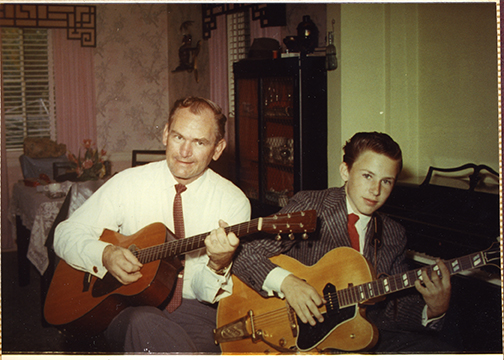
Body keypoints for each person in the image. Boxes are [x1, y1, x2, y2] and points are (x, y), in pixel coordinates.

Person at [54, 96, 251, 353]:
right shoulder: (128, 183)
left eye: (199, 142)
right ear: (166, 134)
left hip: (195, 311)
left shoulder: (233, 202)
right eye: (179, 137)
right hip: (126, 305)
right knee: (144, 323)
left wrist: (218, 263)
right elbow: (64, 233)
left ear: (217, 148)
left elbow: (205, 293)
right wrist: (105, 253)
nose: (185, 152)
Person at [232, 132, 452, 353]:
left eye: (386, 181)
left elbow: (391, 308)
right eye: (368, 176)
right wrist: (288, 283)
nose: (376, 191)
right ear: (345, 171)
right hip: (298, 336)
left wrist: (433, 309)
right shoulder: (311, 207)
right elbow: (244, 253)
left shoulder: (394, 234)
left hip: (356, 335)